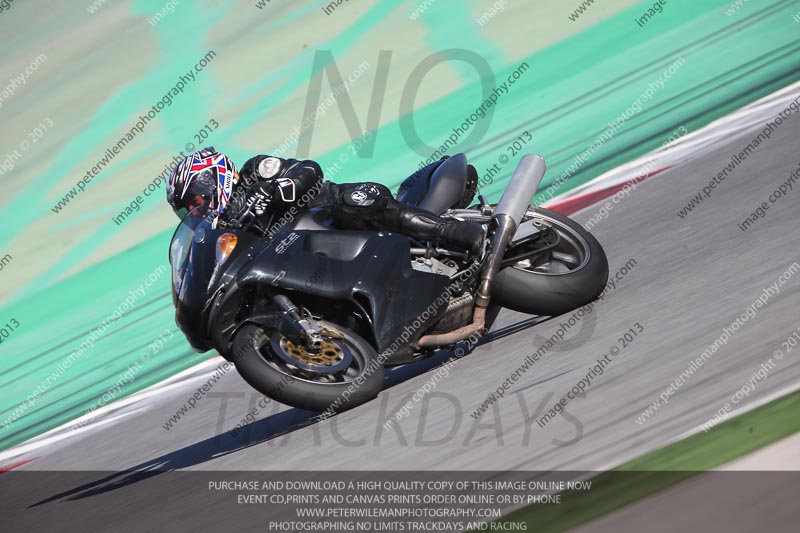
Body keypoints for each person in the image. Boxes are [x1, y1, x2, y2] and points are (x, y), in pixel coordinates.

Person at [166, 147, 485, 255]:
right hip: (313, 253)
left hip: (331, 208)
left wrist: (277, 189)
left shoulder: (254, 171)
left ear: (209, 179)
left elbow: (309, 170)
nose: (195, 211)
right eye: (187, 210)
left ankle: (455, 232)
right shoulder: (226, 231)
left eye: (193, 201)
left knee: (354, 205)